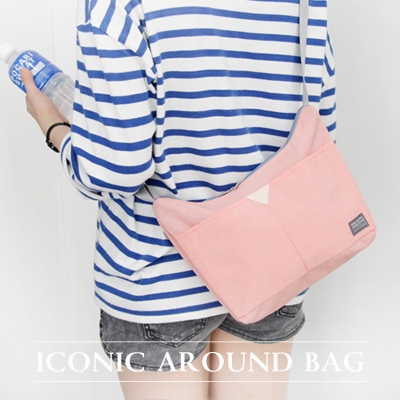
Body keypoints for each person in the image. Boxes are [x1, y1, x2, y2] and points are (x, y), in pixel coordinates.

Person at [21, 0, 336, 398]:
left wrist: (54, 128)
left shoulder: (119, 8)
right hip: (273, 263)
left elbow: (115, 170)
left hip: (160, 276)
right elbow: (319, 136)